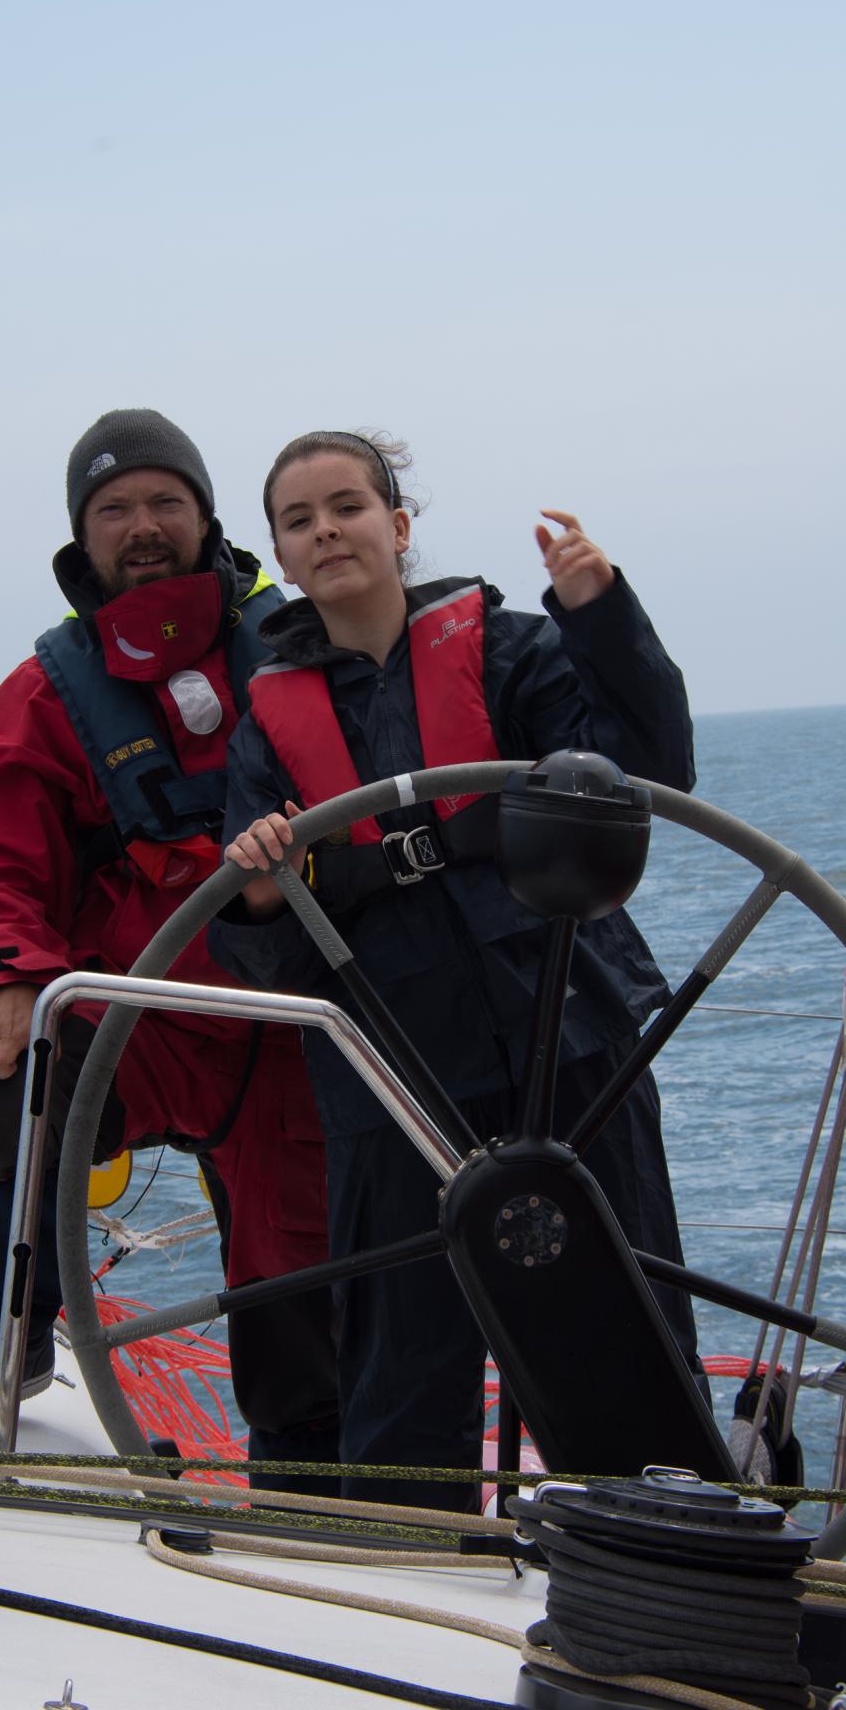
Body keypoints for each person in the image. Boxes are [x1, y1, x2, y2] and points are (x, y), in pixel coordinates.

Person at [211, 428, 702, 1512]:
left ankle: (669, 1536)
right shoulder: (264, 731)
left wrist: (599, 613)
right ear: (280, 559)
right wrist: (258, 886)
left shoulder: (516, 652)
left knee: (628, 1315)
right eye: (298, 521)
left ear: (397, 527)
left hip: (567, 1028)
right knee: (402, 1354)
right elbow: (255, 943)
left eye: (347, 507)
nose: (326, 531)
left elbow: (649, 774)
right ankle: (408, 1559)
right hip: (389, 1072)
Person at [0, 410, 338, 1480]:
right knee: (7, 1093)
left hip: (293, 1015)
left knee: (299, 1258)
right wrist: (11, 978)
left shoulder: (308, 649)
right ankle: (12, 1322)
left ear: (207, 518)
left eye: (164, 502)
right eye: (114, 508)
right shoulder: (45, 694)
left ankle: (305, 1468)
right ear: (81, 534)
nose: (142, 526)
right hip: (139, 1020)